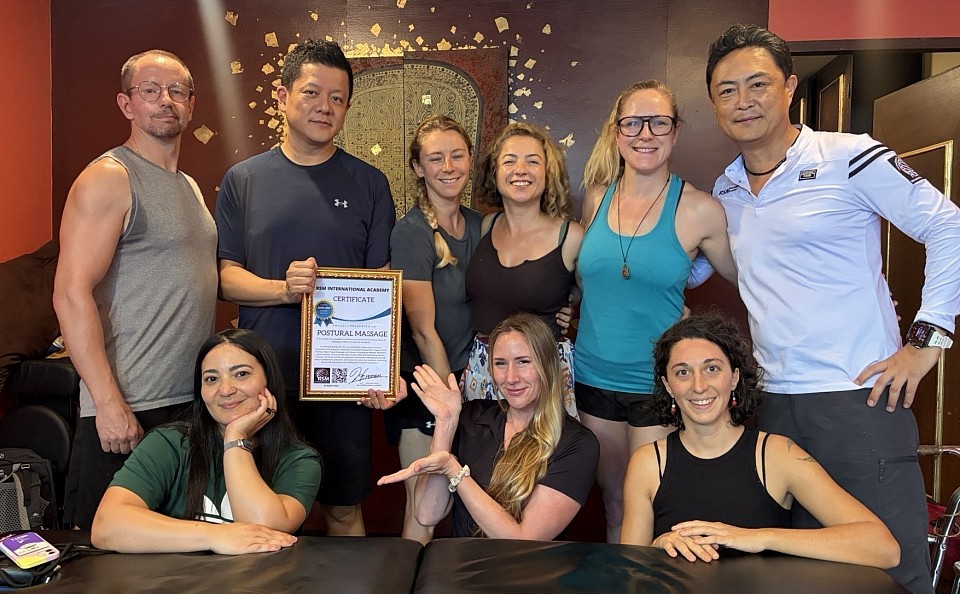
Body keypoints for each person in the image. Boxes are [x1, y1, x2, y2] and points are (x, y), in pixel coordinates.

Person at [705, 24, 960, 593]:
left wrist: (927, 341)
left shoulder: (850, 156)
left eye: (757, 84)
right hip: (773, 403)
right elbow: (706, 263)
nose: (743, 101)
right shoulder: (725, 189)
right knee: (798, 573)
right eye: (727, 90)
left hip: (858, 397)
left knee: (889, 570)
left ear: (789, 87)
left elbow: (949, 226)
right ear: (714, 104)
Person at [215, 39, 395, 536]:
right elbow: (225, 278)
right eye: (312, 93)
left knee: (343, 509)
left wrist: (378, 372)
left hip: (343, 382)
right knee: (260, 518)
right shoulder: (243, 180)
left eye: (337, 98)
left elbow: (380, 287)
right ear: (283, 96)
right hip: (262, 380)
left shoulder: (370, 183)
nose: (325, 107)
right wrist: (284, 289)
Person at [53, 49, 217, 530]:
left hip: (186, 404)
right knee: (105, 557)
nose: (166, 100)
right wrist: (107, 404)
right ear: (127, 104)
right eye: (150, 90)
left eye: (177, 91)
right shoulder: (110, 178)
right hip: (128, 407)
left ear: (191, 105)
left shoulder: (189, 187)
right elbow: (70, 293)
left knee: (179, 552)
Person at [576, 80, 737, 543]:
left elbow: (752, 282)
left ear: (675, 131)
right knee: (613, 501)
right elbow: (590, 279)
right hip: (593, 376)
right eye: (633, 123)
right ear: (617, 132)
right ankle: (620, 577)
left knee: (650, 505)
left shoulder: (700, 210)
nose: (645, 133)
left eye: (658, 122)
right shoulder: (596, 197)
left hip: (656, 381)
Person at [621, 314, 900, 570]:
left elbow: (883, 548)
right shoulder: (647, 462)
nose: (698, 385)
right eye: (682, 372)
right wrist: (656, 547)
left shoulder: (778, 454)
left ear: (734, 377)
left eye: (712, 369)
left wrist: (760, 538)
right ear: (668, 386)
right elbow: (630, 573)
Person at [91, 329, 322, 553]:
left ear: (268, 381)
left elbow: (263, 533)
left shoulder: (298, 460)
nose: (225, 389)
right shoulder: (170, 443)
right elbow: (106, 526)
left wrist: (236, 439)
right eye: (211, 379)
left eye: (241, 374)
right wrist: (215, 536)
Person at [378, 313, 599, 539]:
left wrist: (455, 472)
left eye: (523, 362)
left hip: (524, 562)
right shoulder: (472, 416)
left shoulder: (577, 443)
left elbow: (522, 540)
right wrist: (446, 422)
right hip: (462, 559)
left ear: (548, 364)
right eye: (500, 363)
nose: (510, 377)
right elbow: (426, 514)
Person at [380, 115, 482, 544]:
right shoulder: (411, 233)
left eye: (457, 155)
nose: (449, 166)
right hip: (429, 389)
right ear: (418, 168)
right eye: (436, 158)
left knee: (472, 506)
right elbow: (423, 332)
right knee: (423, 512)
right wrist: (447, 401)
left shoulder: (480, 225)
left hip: (474, 388)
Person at [463, 123, 582, 418]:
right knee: (483, 446)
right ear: (495, 173)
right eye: (509, 161)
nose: (520, 170)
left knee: (544, 447)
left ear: (548, 173)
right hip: (484, 369)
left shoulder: (570, 236)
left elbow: (594, 294)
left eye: (532, 161)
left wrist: (571, 304)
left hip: (542, 370)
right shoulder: (487, 226)